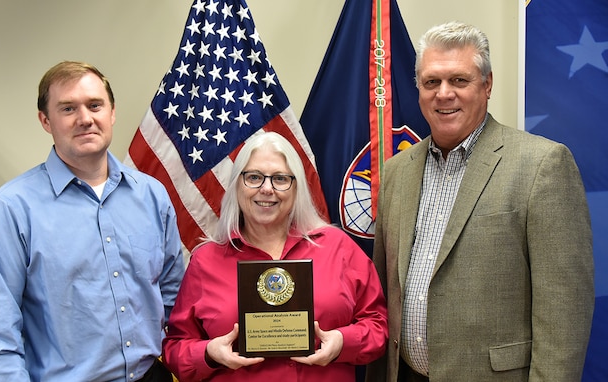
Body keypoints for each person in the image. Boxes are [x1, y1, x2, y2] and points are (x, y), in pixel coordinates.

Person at [367, 21, 594, 382]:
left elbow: (564, 314)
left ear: (486, 85)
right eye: (431, 82)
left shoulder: (542, 165)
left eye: (459, 80)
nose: (444, 94)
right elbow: (383, 295)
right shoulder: (397, 172)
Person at [0, 61, 185, 381]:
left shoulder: (151, 195)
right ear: (46, 120)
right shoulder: (10, 210)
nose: (85, 118)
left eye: (95, 105)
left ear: (111, 112)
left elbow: (174, 298)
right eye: (68, 108)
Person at [162, 132, 388, 381]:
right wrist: (208, 353)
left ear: (296, 187)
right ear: (238, 185)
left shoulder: (338, 247)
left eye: (280, 178)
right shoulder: (206, 260)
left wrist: (343, 343)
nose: (267, 189)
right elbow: (176, 349)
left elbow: (379, 326)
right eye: (254, 177)